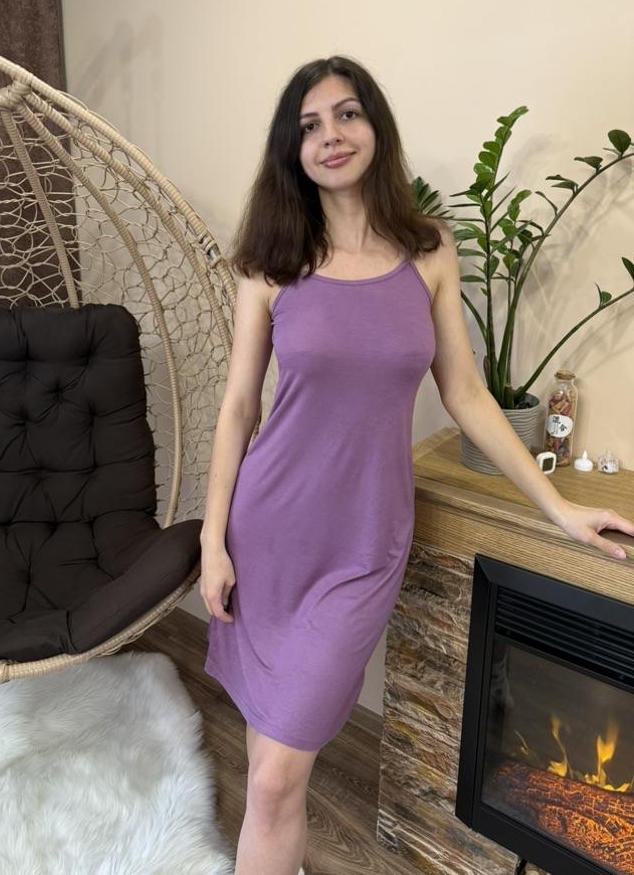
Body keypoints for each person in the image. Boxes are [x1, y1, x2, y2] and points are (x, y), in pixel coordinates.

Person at [198, 55, 634, 875]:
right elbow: (239, 408)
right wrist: (212, 539)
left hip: (362, 546)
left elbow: (466, 394)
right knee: (268, 765)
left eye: (347, 114)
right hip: (269, 533)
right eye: (309, 126)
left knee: (278, 774)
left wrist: (558, 506)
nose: (331, 136)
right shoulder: (270, 261)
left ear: (375, 126)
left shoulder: (428, 250)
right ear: (292, 150)